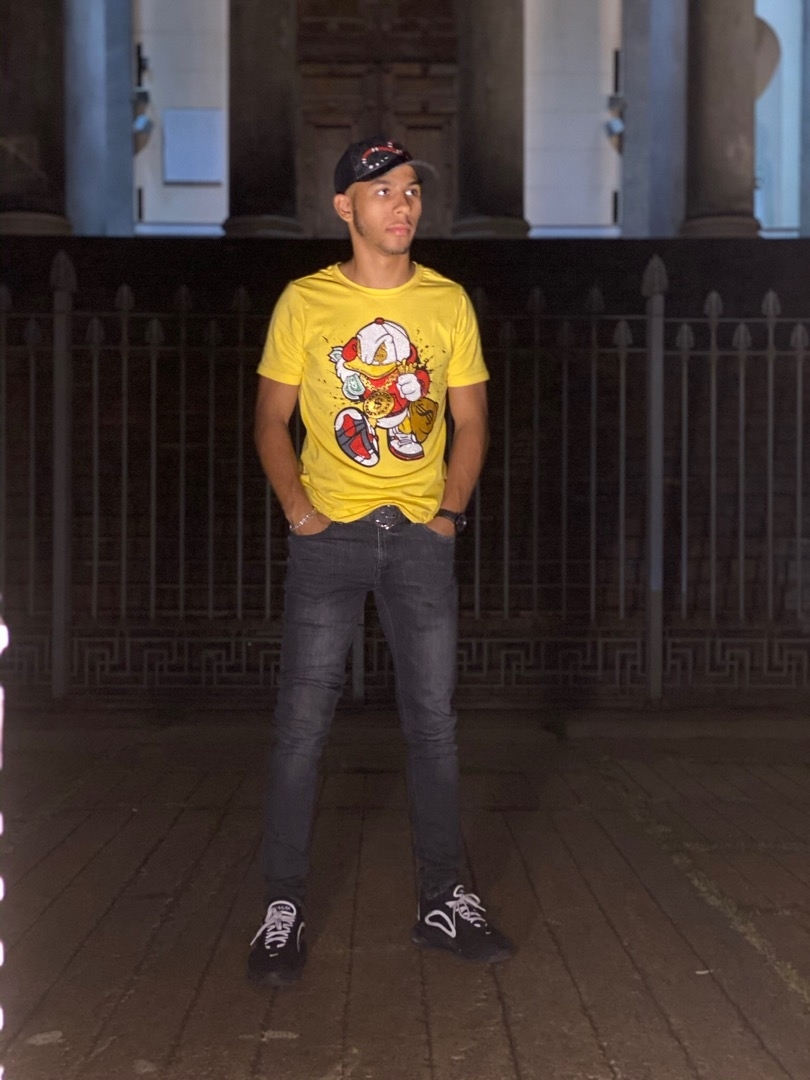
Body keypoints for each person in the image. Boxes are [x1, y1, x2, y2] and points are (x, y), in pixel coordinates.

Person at [248, 136, 514, 987]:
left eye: (410, 190)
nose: (402, 205)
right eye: (382, 191)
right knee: (301, 728)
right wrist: (300, 512)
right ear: (345, 208)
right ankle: (282, 908)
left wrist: (449, 514)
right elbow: (270, 419)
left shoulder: (446, 301)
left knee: (433, 726)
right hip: (331, 538)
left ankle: (443, 899)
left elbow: (471, 420)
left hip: (419, 538)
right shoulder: (306, 301)